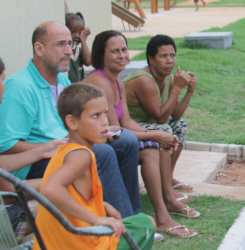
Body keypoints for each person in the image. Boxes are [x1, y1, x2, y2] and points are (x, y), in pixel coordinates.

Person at [0, 21, 141, 219]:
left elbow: (72, 122)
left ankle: (131, 216)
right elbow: (6, 146)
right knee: (100, 153)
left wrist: (97, 129)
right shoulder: (19, 88)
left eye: (70, 44)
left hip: (65, 150)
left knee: (126, 141)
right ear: (39, 48)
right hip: (30, 167)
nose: (69, 51)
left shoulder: (61, 79)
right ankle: (122, 224)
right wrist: (50, 147)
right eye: (61, 44)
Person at [82, 31, 199, 238]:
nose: (122, 55)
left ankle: (162, 208)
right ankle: (161, 214)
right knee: (153, 144)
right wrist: (153, 134)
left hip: (115, 138)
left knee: (155, 143)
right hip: (98, 145)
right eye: (115, 51)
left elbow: (125, 121)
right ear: (102, 54)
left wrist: (151, 134)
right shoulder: (99, 81)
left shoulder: (116, 80)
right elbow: (114, 130)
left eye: (124, 50)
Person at [0, 50, 66, 246]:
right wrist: (56, 180)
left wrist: (41, 151)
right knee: (63, 203)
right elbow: (8, 195)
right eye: (3, 80)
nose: (5, 86)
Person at [34, 83, 155, 250]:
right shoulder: (81, 155)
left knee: (138, 222)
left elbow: (72, 193)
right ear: (72, 122)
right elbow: (50, 189)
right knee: (146, 223)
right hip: (81, 244)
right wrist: (96, 219)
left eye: (105, 113)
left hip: (52, 244)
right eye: (95, 116)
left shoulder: (65, 150)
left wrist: (102, 206)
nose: (105, 122)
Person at [123, 35, 198, 200]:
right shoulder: (144, 79)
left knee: (180, 126)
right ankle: (166, 191)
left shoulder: (169, 78)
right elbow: (160, 119)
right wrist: (177, 88)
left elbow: (176, 114)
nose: (169, 61)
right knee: (165, 129)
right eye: (163, 56)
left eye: (172, 55)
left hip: (149, 123)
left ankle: (168, 178)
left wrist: (189, 92)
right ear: (151, 59)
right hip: (129, 126)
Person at [65, 12, 92, 83]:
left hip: (79, 90)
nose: (77, 36)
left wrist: (83, 40)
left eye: (80, 33)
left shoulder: (80, 51)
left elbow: (88, 62)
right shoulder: (64, 51)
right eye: (73, 32)